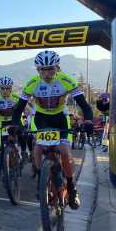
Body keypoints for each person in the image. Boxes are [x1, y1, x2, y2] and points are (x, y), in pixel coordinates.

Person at [12, 50, 93, 209]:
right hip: (42, 118)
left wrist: (88, 121)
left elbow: (84, 105)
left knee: (64, 151)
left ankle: (72, 187)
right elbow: (18, 110)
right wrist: (17, 125)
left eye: (51, 69)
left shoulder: (66, 80)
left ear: (57, 68)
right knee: (37, 148)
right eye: (43, 69)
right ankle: (41, 181)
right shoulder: (32, 83)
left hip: (60, 118)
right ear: (38, 70)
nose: (47, 73)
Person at [0, 76, 29, 161]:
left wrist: (25, 118)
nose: (5, 91)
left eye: (7, 88)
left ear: (11, 88)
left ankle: (23, 152)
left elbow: (26, 109)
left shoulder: (16, 97)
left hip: (14, 120)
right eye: (2, 88)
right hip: (1, 121)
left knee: (22, 133)